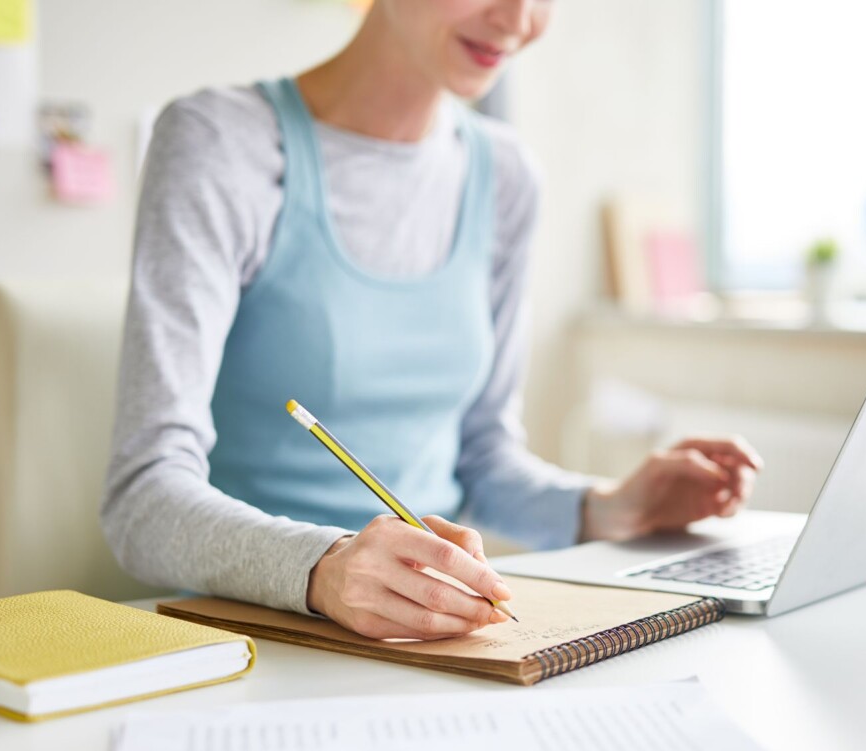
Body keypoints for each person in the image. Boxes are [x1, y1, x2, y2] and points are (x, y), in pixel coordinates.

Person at [102, 0, 760, 641]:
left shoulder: (505, 175)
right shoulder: (221, 141)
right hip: (248, 638)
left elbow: (483, 458)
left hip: (421, 641)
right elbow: (143, 499)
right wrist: (324, 570)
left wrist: (613, 507)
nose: (517, 19)